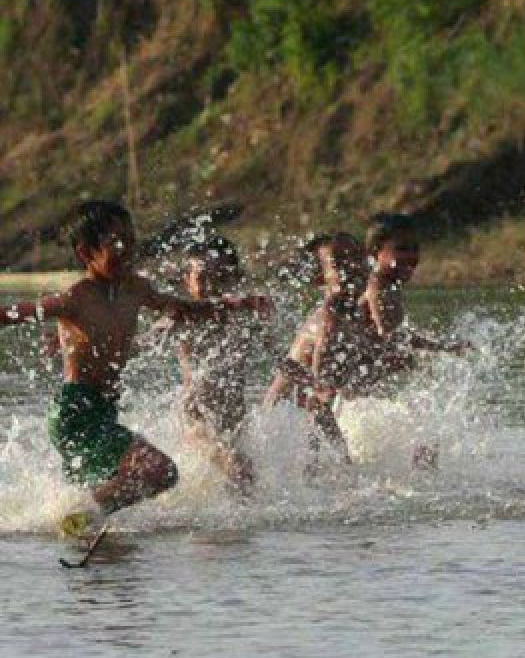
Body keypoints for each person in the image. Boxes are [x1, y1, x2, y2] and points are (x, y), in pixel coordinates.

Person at [0, 201, 270, 537]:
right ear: (86, 253)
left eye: (130, 239)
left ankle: (81, 523)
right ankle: (80, 518)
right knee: (160, 471)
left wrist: (234, 304)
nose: (127, 249)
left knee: (132, 481)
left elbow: (182, 309)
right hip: (76, 412)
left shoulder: (135, 289)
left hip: (102, 411)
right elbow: (14, 313)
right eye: (115, 243)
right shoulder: (77, 297)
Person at [264, 233, 411, 477]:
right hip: (282, 428)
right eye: (339, 264)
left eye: (357, 258)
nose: (352, 267)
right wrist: (347, 464)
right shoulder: (328, 325)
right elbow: (316, 404)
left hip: (305, 424)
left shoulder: (355, 313)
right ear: (320, 278)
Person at [156, 236, 260, 492]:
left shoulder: (243, 316)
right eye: (202, 278)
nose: (212, 287)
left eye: (221, 277)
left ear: (234, 279)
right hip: (197, 418)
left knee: (240, 487)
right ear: (186, 282)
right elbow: (152, 335)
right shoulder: (182, 317)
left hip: (234, 417)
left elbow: (280, 357)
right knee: (239, 471)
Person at [361, 213, 469, 354]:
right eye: (402, 249)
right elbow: (390, 335)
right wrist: (443, 347)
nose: (411, 256)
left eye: (415, 248)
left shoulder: (388, 284)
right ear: (375, 252)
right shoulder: (377, 287)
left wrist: (433, 339)